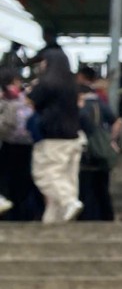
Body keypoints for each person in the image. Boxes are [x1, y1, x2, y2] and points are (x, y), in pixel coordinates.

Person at [25, 51, 83, 222]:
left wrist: (31, 88)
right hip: (73, 136)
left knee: (45, 175)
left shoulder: (47, 83)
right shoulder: (72, 85)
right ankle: (55, 219)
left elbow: (30, 101)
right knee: (66, 177)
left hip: (52, 136)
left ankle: (68, 202)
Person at [76, 64, 121, 222]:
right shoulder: (100, 104)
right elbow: (117, 121)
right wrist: (111, 139)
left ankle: (88, 217)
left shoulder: (82, 108)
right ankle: (106, 216)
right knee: (102, 187)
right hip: (102, 150)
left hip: (86, 152)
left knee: (86, 187)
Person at [0, 67, 40, 220]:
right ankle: (20, 214)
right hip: (24, 144)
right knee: (22, 182)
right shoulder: (23, 98)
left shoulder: (9, 97)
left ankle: (10, 213)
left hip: (8, 144)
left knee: (8, 181)